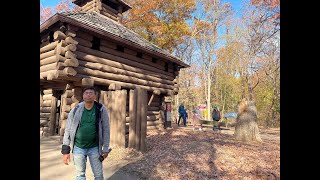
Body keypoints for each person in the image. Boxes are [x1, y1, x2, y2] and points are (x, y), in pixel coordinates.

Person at [61, 86, 110, 180]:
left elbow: (106, 129)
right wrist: (65, 151)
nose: (88, 95)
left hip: (95, 148)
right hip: (78, 147)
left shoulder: (101, 109)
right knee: (80, 175)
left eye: (91, 93)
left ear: (95, 96)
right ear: (83, 96)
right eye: (86, 93)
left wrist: (106, 148)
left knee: (99, 175)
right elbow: (68, 129)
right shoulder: (75, 109)